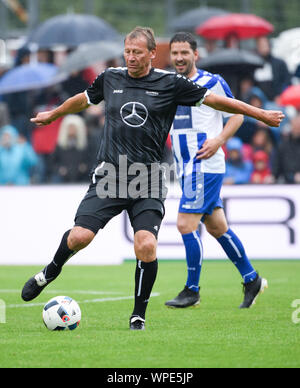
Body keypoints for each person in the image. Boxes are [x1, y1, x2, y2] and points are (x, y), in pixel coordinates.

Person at [21, 27, 284, 330]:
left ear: (150, 54)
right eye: (127, 52)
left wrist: (260, 114)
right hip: (111, 174)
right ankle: (49, 272)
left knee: (145, 245)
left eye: (136, 52)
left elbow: (217, 102)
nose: (130, 58)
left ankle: (138, 315)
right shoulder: (110, 78)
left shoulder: (171, 83)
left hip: (149, 178)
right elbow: (83, 100)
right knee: (80, 237)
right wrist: (53, 114)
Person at [165, 32, 263, 310]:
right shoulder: (169, 85)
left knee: (185, 225)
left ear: (196, 55)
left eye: (185, 52)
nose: (180, 58)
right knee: (218, 227)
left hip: (204, 165)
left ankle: (192, 290)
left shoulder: (213, 82)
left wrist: (219, 140)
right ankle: (251, 278)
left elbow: (238, 115)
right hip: (185, 168)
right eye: (175, 53)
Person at [50, 114, 89, 183]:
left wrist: (85, 167)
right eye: (70, 127)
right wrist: (59, 169)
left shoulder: (85, 144)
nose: (71, 130)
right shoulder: (60, 145)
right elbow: (53, 162)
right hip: (62, 179)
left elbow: (90, 159)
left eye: (74, 127)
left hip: (81, 178)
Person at [272, 113, 300, 184]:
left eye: (298, 125)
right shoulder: (282, 145)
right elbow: (276, 166)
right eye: (295, 125)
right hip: (285, 182)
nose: (297, 127)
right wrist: (273, 176)